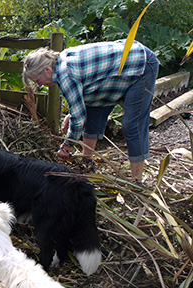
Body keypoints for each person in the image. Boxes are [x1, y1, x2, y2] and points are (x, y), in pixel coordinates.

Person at [22, 40, 159, 183]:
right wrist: (71, 114)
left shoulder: (65, 74)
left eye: (38, 80)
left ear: (47, 70)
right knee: (93, 107)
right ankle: (87, 164)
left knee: (132, 125)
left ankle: (137, 182)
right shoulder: (61, 61)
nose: (39, 85)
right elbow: (82, 99)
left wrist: (67, 146)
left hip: (140, 64)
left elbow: (79, 118)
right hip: (116, 69)